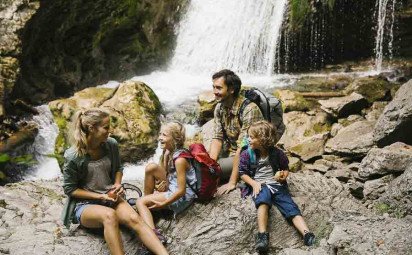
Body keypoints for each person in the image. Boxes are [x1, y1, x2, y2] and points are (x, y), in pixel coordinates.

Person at [61, 108, 168, 255]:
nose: (110, 130)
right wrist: (100, 196)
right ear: (92, 128)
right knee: (109, 216)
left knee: (134, 218)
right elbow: (70, 190)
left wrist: (117, 184)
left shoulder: (111, 144)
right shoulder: (73, 156)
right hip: (85, 205)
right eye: (106, 127)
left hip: (110, 198)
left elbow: (118, 167)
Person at [239, 121, 315, 252]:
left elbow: (285, 168)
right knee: (262, 202)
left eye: (251, 137)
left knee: (290, 206)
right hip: (260, 184)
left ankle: (306, 233)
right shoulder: (247, 154)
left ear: (262, 140)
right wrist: (253, 183)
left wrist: (283, 176)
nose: (248, 139)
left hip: (276, 185)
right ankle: (262, 235)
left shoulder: (277, 153)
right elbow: (242, 173)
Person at [136, 122, 197, 241]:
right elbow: (167, 175)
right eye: (160, 134)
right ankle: (148, 207)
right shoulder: (168, 152)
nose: (160, 138)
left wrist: (163, 204)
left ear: (175, 139)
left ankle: (153, 236)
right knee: (151, 167)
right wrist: (161, 185)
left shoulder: (180, 160)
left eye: (164, 135)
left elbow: (181, 191)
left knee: (140, 202)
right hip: (173, 186)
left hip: (182, 196)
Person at [209, 69, 264, 195]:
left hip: (250, 155)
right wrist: (209, 164)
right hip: (231, 151)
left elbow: (244, 147)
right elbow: (217, 138)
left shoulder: (249, 110)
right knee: (205, 167)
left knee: (209, 172)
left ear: (231, 89)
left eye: (218, 88)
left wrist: (232, 182)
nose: (214, 92)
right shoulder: (219, 107)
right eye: (213, 87)